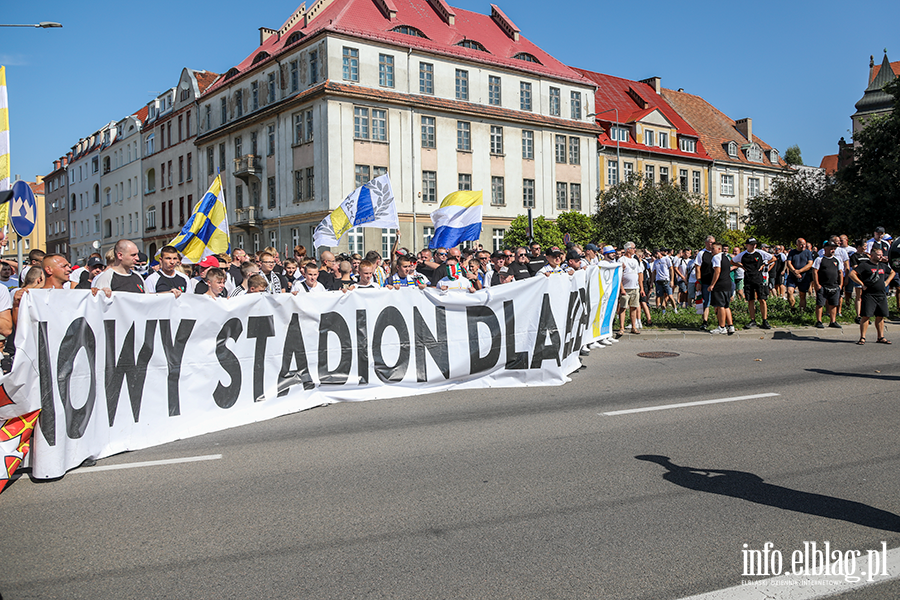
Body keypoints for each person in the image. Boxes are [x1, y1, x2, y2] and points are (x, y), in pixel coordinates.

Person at [849, 247, 894, 345]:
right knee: (866, 316)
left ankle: (880, 337)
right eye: (878, 254)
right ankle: (862, 337)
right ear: (872, 255)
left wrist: (887, 282)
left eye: (881, 254)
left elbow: (892, 272)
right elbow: (852, 274)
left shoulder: (883, 265)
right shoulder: (865, 265)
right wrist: (861, 284)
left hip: (881, 295)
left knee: (880, 316)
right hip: (869, 295)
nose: (880, 256)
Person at [732, 238, 774, 329]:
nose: (754, 246)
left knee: (762, 299)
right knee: (750, 300)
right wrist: (741, 266)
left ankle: (765, 320)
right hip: (748, 279)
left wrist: (764, 265)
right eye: (751, 244)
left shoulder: (760, 252)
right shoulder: (743, 255)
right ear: (747, 245)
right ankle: (752, 320)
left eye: (755, 244)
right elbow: (732, 261)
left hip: (759, 278)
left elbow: (773, 258)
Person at [812, 240, 843, 329]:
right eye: (831, 248)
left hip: (834, 286)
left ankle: (833, 321)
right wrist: (816, 284)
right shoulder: (820, 259)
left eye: (834, 249)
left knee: (833, 304)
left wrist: (840, 285)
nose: (833, 250)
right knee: (820, 304)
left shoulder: (836, 260)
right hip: (823, 285)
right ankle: (819, 321)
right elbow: (815, 271)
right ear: (825, 249)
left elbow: (840, 272)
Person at [707, 242, 735, 335]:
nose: (711, 251)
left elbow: (717, 272)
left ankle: (721, 327)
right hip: (728, 283)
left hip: (720, 285)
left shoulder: (716, 257)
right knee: (726, 306)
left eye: (713, 249)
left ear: (719, 249)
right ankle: (730, 326)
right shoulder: (726, 257)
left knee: (720, 306)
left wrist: (712, 284)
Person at [617, 242, 644, 335]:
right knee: (623, 308)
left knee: (634, 308)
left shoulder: (635, 260)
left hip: (635, 287)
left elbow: (639, 274)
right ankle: (621, 327)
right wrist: (622, 288)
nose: (635, 250)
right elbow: (618, 275)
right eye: (633, 248)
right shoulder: (621, 260)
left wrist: (641, 288)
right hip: (626, 288)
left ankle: (634, 327)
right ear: (628, 249)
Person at [786, 238, 814, 310]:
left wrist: (800, 271)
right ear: (797, 245)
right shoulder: (792, 252)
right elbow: (789, 263)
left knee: (802, 295)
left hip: (804, 276)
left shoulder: (808, 253)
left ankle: (802, 312)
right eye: (801, 244)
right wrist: (794, 271)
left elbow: (810, 263)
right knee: (789, 292)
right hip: (793, 276)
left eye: (804, 244)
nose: (803, 246)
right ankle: (793, 308)